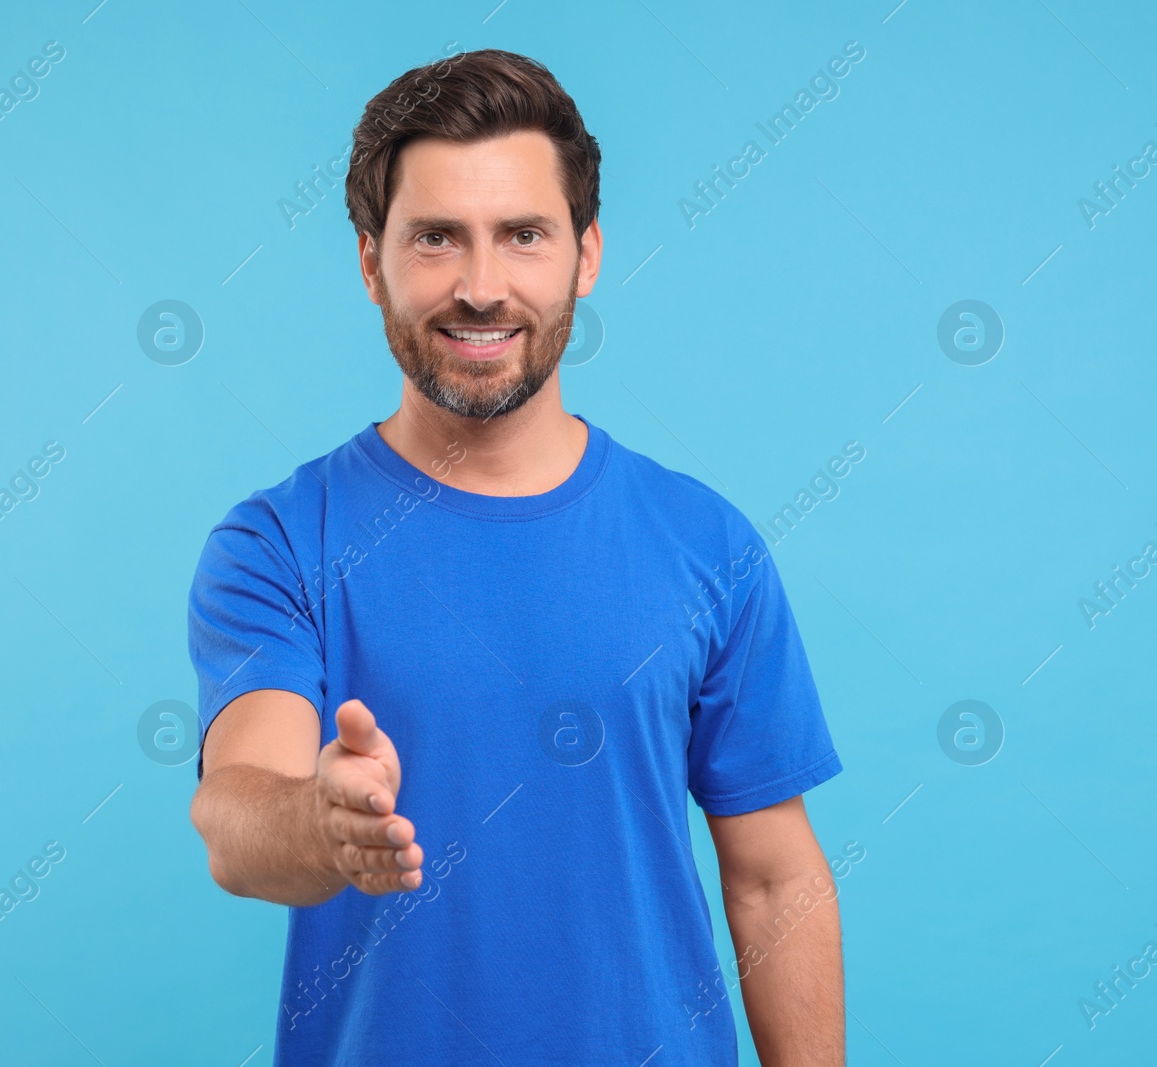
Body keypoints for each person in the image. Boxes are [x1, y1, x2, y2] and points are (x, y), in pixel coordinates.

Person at [186, 47, 845, 1066]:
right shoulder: (279, 542)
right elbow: (236, 812)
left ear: (585, 253)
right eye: (437, 238)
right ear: (371, 262)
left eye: (523, 235)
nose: (481, 286)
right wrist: (321, 822)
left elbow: (769, 876)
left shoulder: (709, 545)